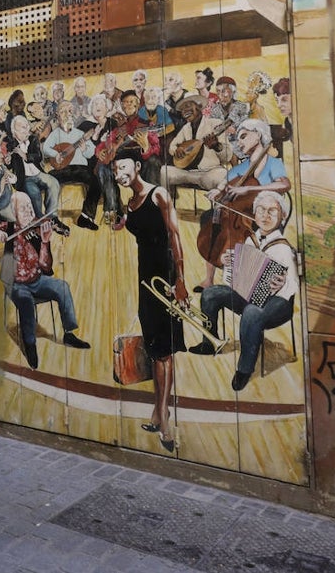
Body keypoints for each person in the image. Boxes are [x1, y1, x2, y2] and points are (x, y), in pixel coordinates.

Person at [113, 148, 189, 452]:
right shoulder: (130, 202)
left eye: (125, 165)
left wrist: (181, 281)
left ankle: (164, 419)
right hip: (146, 278)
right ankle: (160, 411)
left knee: (164, 352)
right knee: (155, 346)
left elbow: (175, 236)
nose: (121, 170)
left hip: (166, 277)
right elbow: (135, 227)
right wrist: (121, 223)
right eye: (117, 167)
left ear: (137, 165)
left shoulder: (158, 195)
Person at [190, 190, 297, 392]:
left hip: (279, 304)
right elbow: (238, 278)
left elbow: (293, 285)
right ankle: (209, 342)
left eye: (272, 211)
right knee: (210, 294)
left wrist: (283, 283)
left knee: (251, 313)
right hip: (252, 296)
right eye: (261, 210)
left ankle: (244, 370)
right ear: (254, 214)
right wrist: (227, 264)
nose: (265, 216)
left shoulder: (283, 248)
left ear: (282, 216)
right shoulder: (251, 240)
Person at [0, 190, 91, 369]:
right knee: (25, 302)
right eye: (23, 209)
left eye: (30, 207)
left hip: (37, 280)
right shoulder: (8, 227)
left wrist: (45, 242)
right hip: (16, 284)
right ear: (13, 213)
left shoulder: (38, 229)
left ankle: (68, 333)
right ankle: (30, 344)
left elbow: (46, 267)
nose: (30, 213)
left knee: (62, 287)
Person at [197, 118, 291, 291]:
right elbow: (224, 184)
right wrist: (217, 191)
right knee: (208, 218)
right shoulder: (242, 167)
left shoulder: (273, 163)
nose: (239, 143)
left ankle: (244, 281)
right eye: (238, 139)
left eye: (243, 137)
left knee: (238, 234)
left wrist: (247, 189)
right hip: (239, 215)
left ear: (258, 135)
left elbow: (284, 185)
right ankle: (209, 279)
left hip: (263, 217)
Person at [42, 101, 101, 230]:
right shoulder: (55, 134)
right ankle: (51, 218)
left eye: (69, 111)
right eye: (63, 112)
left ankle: (85, 217)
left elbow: (92, 153)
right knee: (50, 180)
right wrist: (55, 154)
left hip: (81, 169)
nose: (66, 115)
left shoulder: (81, 134)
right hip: (62, 169)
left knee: (95, 181)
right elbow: (45, 148)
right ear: (57, 116)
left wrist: (85, 148)